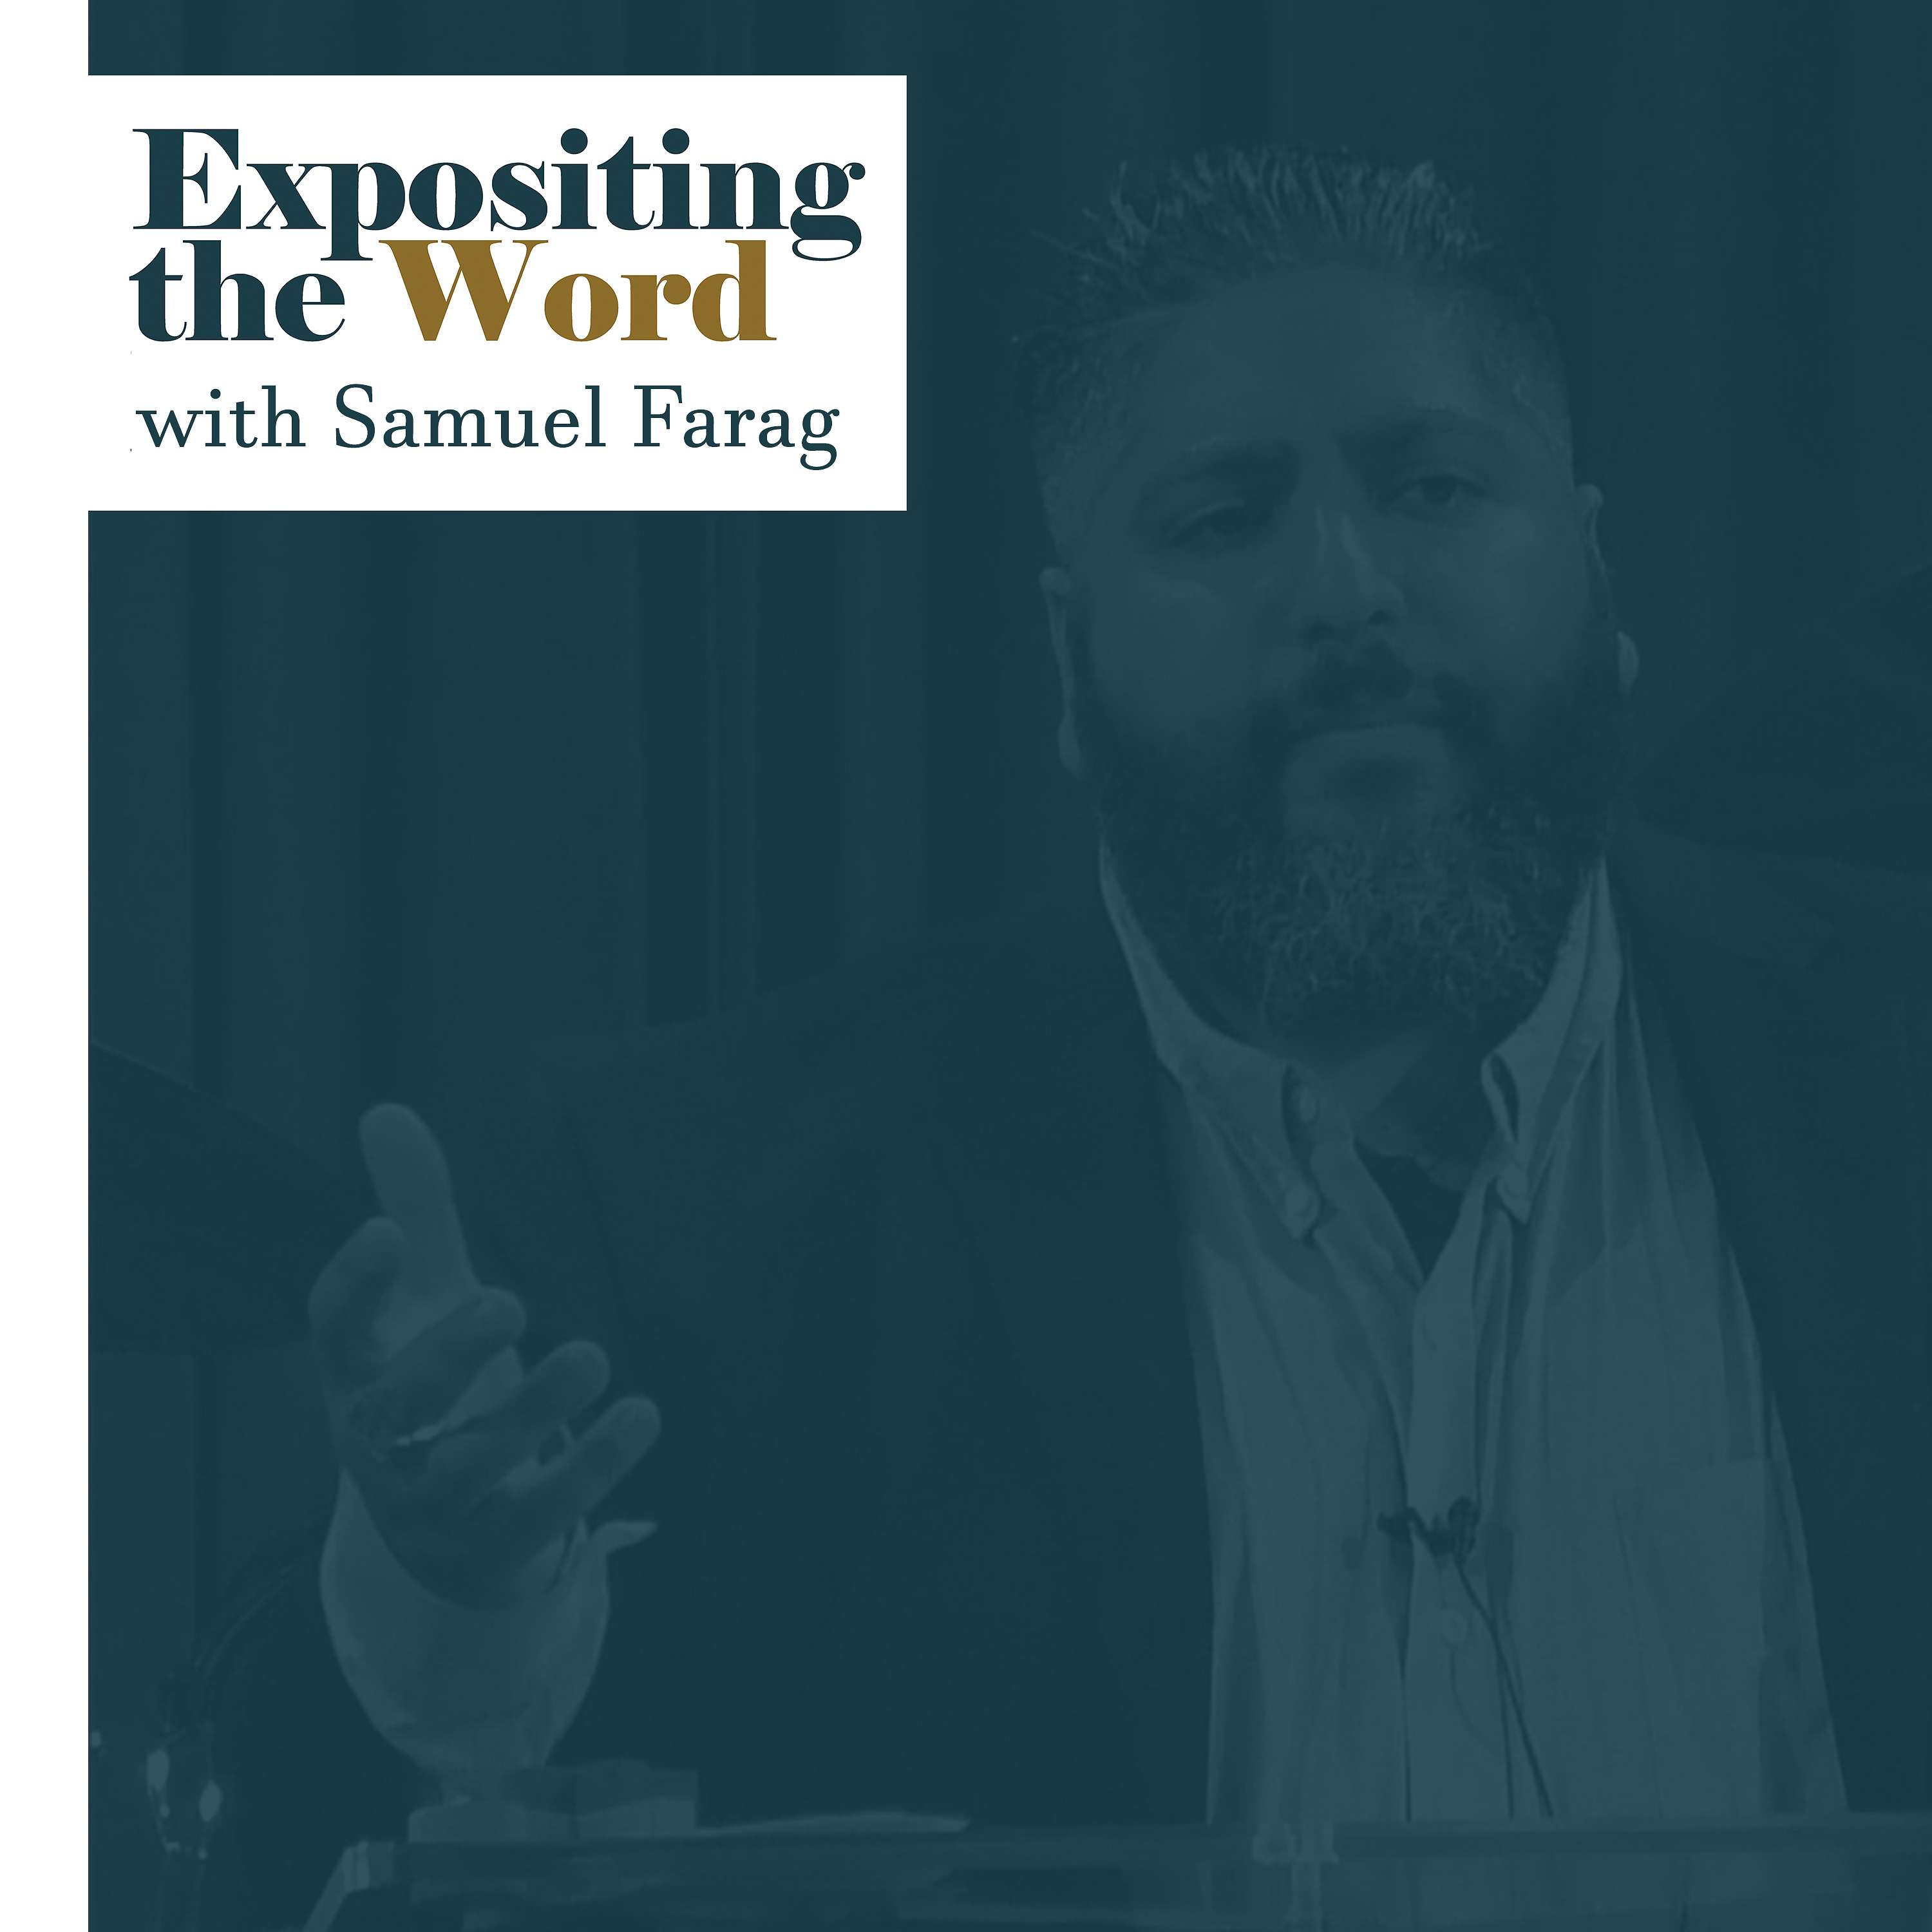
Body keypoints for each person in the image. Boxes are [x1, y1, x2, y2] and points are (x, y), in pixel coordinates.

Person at [219, 147, 1932, 1921]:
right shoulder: (713, 1222)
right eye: (1224, 518)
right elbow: (332, 1816)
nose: (1347, 589)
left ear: (1593, 566)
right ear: (1066, 657)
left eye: (1433, 485)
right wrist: (454, 1586)